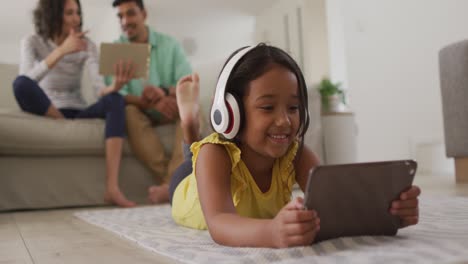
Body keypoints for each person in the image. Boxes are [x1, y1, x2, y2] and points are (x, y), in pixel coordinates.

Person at [170, 43, 421, 248]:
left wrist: (386, 212)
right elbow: (220, 222)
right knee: (187, 166)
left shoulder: (296, 154)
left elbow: (335, 204)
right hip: (185, 188)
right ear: (229, 112)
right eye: (268, 107)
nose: (285, 121)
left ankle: (191, 129)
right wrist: (270, 232)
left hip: (211, 171)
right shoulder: (214, 154)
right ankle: (190, 126)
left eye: (293, 108)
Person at [12, 0, 136, 207]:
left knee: (115, 99)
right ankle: (60, 120)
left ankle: (112, 188)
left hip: (77, 110)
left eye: (77, 13)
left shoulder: (87, 45)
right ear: (53, 14)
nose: (76, 19)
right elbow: (27, 80)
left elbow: (99, 90)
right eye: (69, 13)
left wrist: (113, 86)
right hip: (47, 108)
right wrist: (61, 51)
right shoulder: (32, 42)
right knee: (19, 83)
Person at [107, 0, 193, 204]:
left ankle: (169, 185)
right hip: (141, 112)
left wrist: (164, 92)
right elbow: (119, 95)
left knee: (192, 109)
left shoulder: (169, 44)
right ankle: (175, 184)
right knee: (127, 111)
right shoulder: (116, 50)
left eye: (130, 14)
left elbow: (187, 82)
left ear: (143, 15)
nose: (125, 21)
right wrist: (151, 104)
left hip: (171, 109)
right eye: (120, 16)